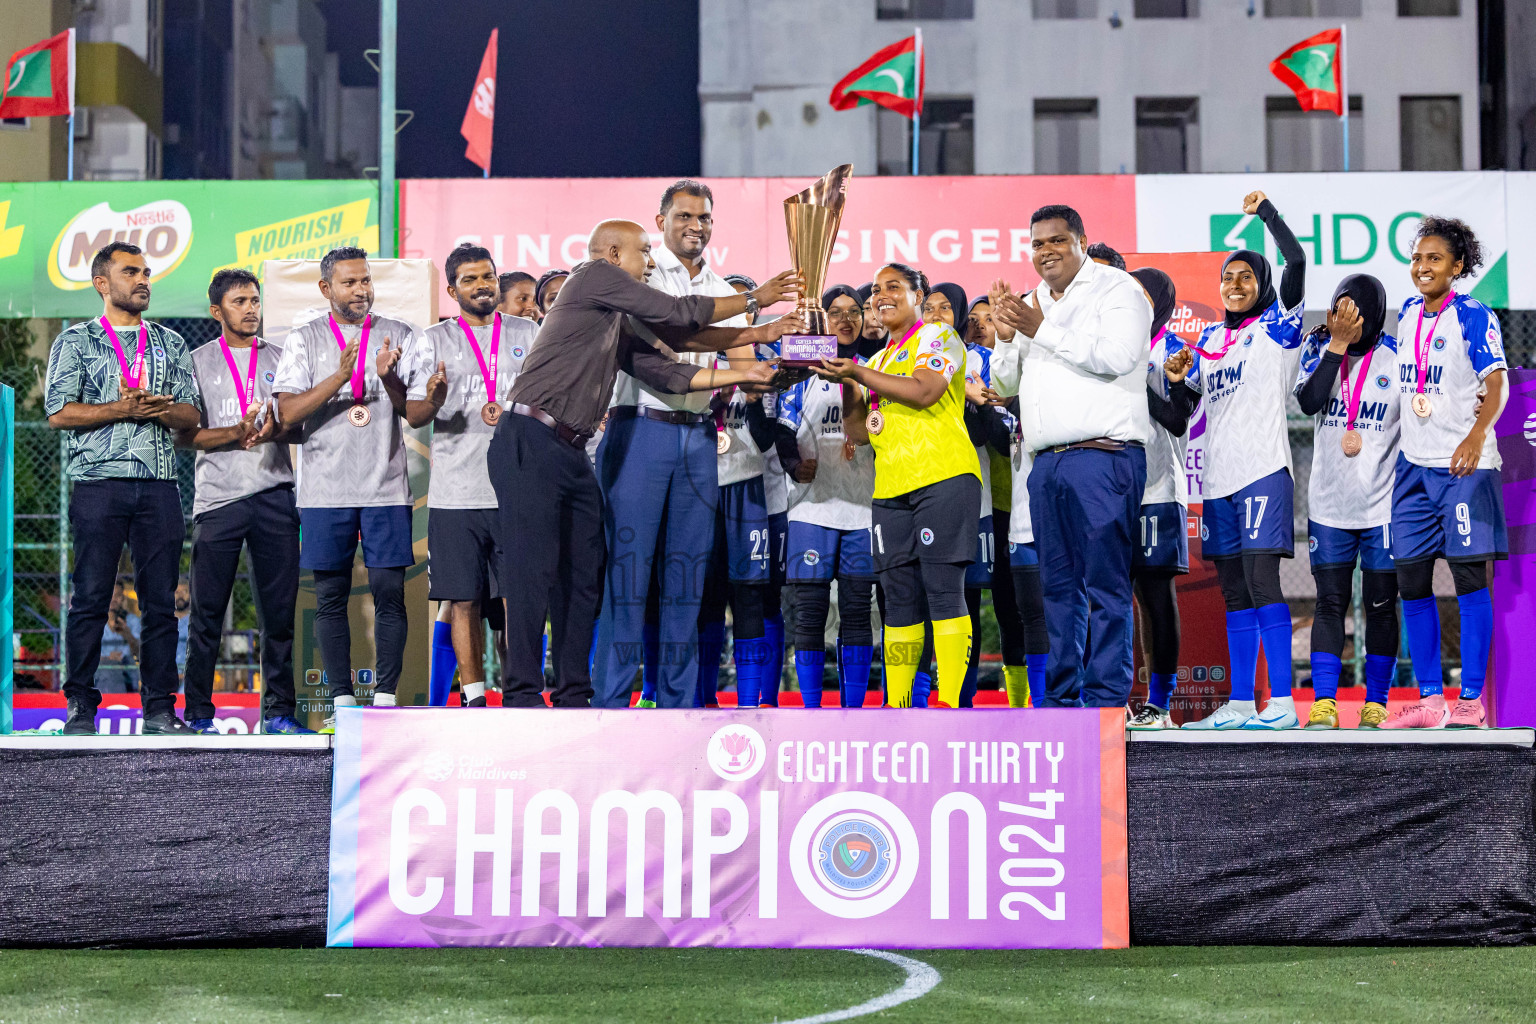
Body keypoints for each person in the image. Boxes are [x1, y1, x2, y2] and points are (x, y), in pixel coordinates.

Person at [491, 219, 799, 710]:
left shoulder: (610, 319)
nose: (651, 261)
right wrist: (755, 299)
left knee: (582, 576)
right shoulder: (591, 275)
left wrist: (749, 364)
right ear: (613, 254)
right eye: (644, 252)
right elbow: (677, 312)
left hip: (570, 450)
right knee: (532, 574)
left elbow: (669, 369)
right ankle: (523, 698)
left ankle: (574, 696)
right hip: (530, 435)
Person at [594, 181, 798, 710]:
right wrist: (758, 315)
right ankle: (611, 704)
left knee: (686, 578)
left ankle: (678, 705)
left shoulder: (717, 285)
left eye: (704, 217)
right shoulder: (639, 270)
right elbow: (673, 334)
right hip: (640, 428)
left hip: (701, 437)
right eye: (684, 215)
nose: (696, 225)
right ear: (659, 220)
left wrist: (780, 370)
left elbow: (735, 368)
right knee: (629, 572)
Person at [988, 206, 1152, 709]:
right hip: (1046, 465)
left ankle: (1105, 701)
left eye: (1057, 241)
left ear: (1082, 240)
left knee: (1104, 585)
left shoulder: (1116, 290)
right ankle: (1060, 701)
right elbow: (1004, 384)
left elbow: (1117, 357)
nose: (1046, 252)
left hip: (1103, 457)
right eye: (1037, 244)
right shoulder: (1031, 300)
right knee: (1056, 590)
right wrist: (1005, 335)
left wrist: (1041, 329)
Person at [45, 241, 203, 735]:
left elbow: (191, 416)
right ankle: (81, 707)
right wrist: (120, 409)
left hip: (158, 485)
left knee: (160, 602)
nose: (142, 280)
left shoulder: (170, 343)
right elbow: (59, 413)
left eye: (145, 272)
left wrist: (157, 407)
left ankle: (159, 708)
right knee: (91, 596)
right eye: (130, 272)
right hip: (98, 484)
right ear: (101, 283)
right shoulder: (76, 341)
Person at [1168, 191, 1306, 731]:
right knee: (1233, 590)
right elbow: (1184, 411)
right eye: (1228, 277)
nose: (1235, 284)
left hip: (1263, 472)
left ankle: (1284, 706)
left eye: (1247, 276)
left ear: (1263, 284)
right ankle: (1244, 705)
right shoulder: (1209, 340)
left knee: (1262, 581)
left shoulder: (1280, 326)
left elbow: (1295, 260)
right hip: (1220, 480)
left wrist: (1268, 213)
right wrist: (1177, 378)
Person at [815, 263, 980, 708]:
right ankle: (900, 705)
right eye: (876, 292)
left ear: (918, 294)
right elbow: (860, 433)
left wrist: (859, 373)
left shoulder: (938, 337)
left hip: (943, 477)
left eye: (894, 287)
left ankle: (948, 704)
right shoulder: (878, 361)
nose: (881, 297)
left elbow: (925, 391)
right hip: (889, 490)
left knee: (944, 591)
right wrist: (848, 381)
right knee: (899, 599)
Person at [272, 246, 423, 716]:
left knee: (388, 594)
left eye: (365, 281)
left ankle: (384, 697)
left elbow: (415, 413)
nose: (361, 291)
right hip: (324, 491)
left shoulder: (400, 335)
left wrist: (390, 378)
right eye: (349, 283)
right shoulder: (304, 340)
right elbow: (286, 412)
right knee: (332, 597)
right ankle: (340, 699)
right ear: (326, 289)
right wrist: (339, 375)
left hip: (385, 487)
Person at [1382, 217, 1507, 729]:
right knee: (1410, 581)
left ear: (1457, 267)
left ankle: (1471, 701)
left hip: (1463, 468)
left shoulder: (1474, 315)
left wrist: (1477, 434)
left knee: (1468, 579)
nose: (1422, 267)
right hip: (1413, 468)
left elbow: (1495, 382)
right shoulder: (1408, 313)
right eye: (1416, 258)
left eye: (1434, 259)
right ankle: (1431, 701)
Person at [404, 244, 535, 707]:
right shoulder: (432, 339)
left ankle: (523, 691)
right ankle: (475, 698)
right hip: (456, 493)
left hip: (518, 491)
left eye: (488, 277)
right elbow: (415, 414)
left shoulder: (528, 331)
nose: (482, 286)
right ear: (452, 288)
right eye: (470, 279)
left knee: (519, 600)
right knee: (462, 600)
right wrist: (434, 399)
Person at [179, 268, 308, 734]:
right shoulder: (195, 362)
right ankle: (197, 715)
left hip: (275, 494)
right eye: (239, 302)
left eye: (255, 300)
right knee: (207, 614)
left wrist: (277, 429)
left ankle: (277, 713)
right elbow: (185, 436)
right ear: (218, 311)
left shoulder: (282, 357)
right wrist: (237, 432)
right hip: (217, 501)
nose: (251, 309)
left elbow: (300, 425)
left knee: (278, 615)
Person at [1293, 275, 1401, 730]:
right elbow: (1309, 401)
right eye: (1339, 309)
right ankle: (1324, 702)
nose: (1345, 318)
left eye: (1355, 312)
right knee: (1330, 602)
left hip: (1383, 508)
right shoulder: (1320, 348)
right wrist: (1336, 344)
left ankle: (1376, 701)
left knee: (1380, 602)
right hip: (1330, 507)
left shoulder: (1399, 358)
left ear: (1373, 314)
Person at [777, 285, 878, 708]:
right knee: (811, 612)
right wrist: (791, 461)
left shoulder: (876, 369)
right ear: (822, 320)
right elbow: (779, 428)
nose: (845, 319)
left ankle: (853, 709)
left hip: (862, 509)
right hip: (811, 510)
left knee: (856, 611)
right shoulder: (799, 374)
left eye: (854, 311)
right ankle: (812, 709)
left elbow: (883, 424)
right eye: (835, 312)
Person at [966, 295, 1046, 709]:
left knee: (1012, 607)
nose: (981, 326)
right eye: (974, 320)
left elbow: (1000, 439)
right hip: (981, 508)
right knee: (971, 605)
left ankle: (1024, 703)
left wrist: (991, 405)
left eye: (989, 319)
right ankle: (962, 699)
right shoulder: (962, 371)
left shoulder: (1022, 373)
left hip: (1014, 509)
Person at [1126, 267, 1196, 730]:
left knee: (1154, 597)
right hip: (1107, 491)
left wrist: (1132, 381)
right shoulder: (1109, 343)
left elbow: (1177, 419)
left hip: (1156, 490)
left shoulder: (1174, 350)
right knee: (1109, 598)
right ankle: (1114, 698)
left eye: (1146, 296)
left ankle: (1160, 703)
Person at [924, 282, 994, 706]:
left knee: (974, 598)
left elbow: (995, 434)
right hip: (925, 492)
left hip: (976, 495)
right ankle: (929, 694)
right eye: (928, 307)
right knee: (933, 598)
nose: (935, 314)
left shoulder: (980, 359)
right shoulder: (912, 355)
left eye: (945, 308)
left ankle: (963, 701)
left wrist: (976, 401)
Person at [726, 272, 791, 705]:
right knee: (708, 595)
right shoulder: (700, 353)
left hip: (761, 493)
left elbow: (770, 437)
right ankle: (698, 697)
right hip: (703, 489)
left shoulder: (773, 356)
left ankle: (761, 699)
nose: (738, 312)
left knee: (762, 598)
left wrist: (754, 399)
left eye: (745, 305)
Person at [97, 578, 141, 695]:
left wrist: (127, 634)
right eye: (110, 595)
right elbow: (84, 654)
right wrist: (107, 659)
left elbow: (140, 653)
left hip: (126, 666)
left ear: (122, 599)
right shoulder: (93, 622)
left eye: (117, 596)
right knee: (107, 670)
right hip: (101, 668)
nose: (113, 600)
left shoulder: (132, 620)